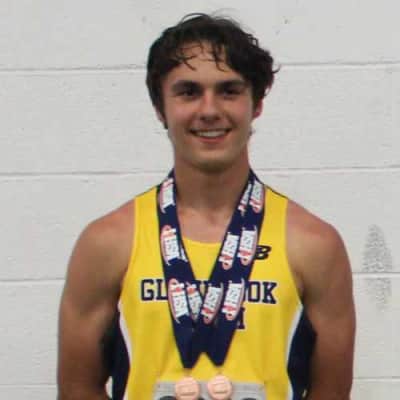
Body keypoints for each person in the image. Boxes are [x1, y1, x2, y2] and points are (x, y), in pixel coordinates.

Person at [57, 13, 355, 400]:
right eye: (189, 92)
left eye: (229, 91)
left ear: (256, 104)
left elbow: (332, 393)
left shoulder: (314, 244)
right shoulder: (107, 242)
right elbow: (78, 389)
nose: (209, 109)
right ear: (160, 107)